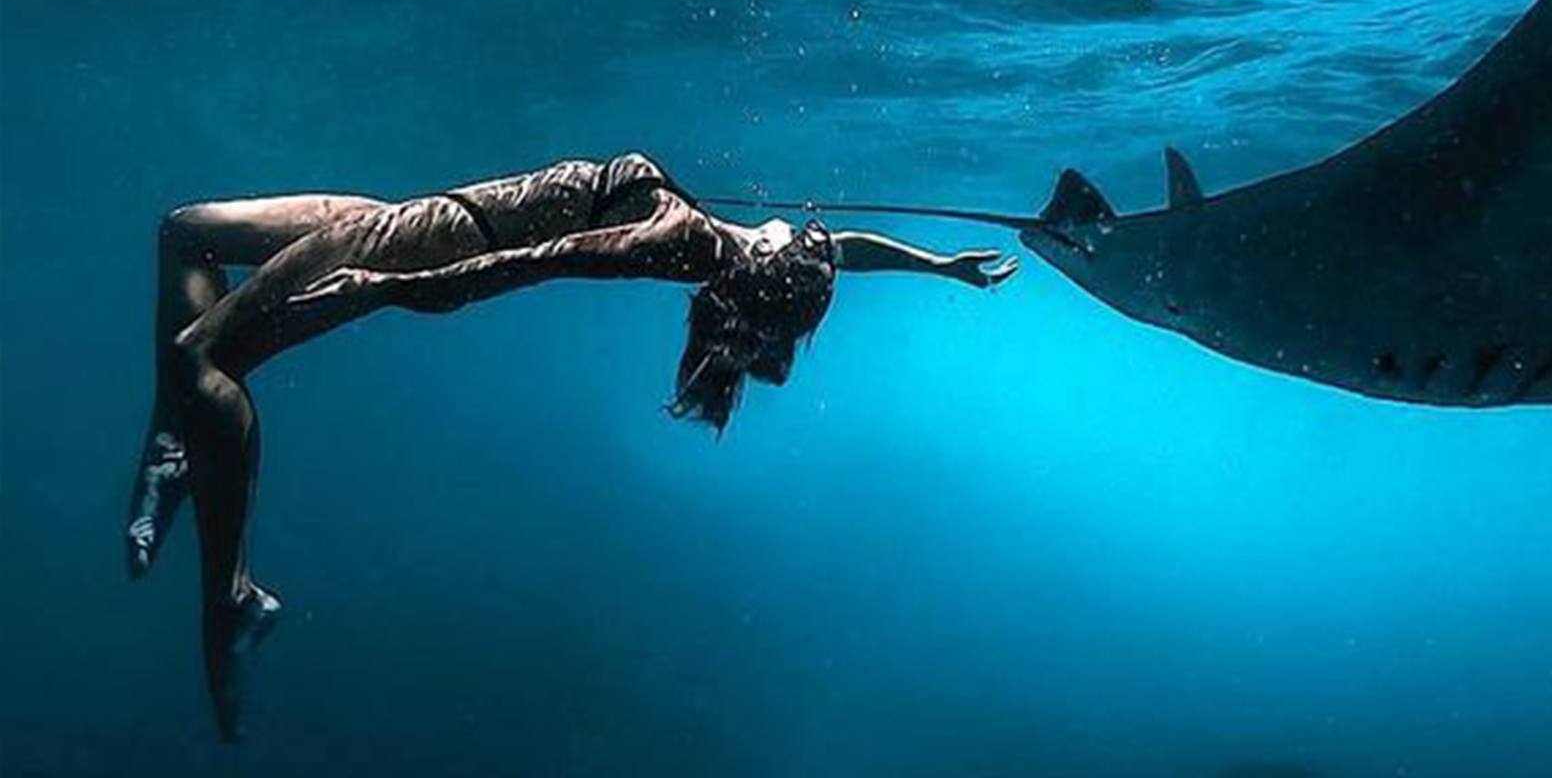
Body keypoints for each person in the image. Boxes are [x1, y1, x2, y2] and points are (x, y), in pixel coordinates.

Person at [129, 151, 1018, 739]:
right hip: (420, 220)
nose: (808, 229)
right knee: (187, 233)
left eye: (804, 247)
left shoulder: (681, 240)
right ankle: (174, 455)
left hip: (422, 252)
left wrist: (388, 283)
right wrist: (936, 265)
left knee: (200, 359)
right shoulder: (737, 247)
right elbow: (845, 252)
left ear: (768, 266)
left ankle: (231, 595)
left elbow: (547, 257)